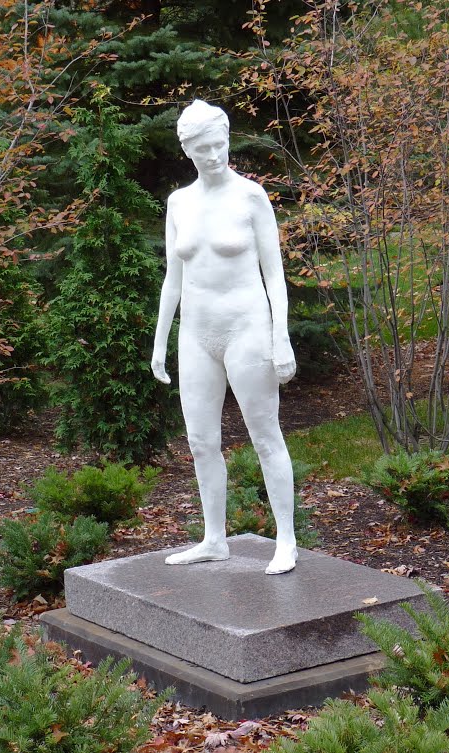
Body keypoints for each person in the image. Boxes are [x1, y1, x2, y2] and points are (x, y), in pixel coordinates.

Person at [151, 100, 298, 575]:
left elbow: (274, 276)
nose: (214, 155)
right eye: (203, 149)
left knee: (264, 435)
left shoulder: (251, 197)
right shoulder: (179, 203)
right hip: (196, 333)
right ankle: (214, 538)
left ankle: (287, 540)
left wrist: (282, 339)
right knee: (200, 440)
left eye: (220, 145)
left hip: (247, 327)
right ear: (188, 151)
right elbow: (173, 277)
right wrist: (160, 342)